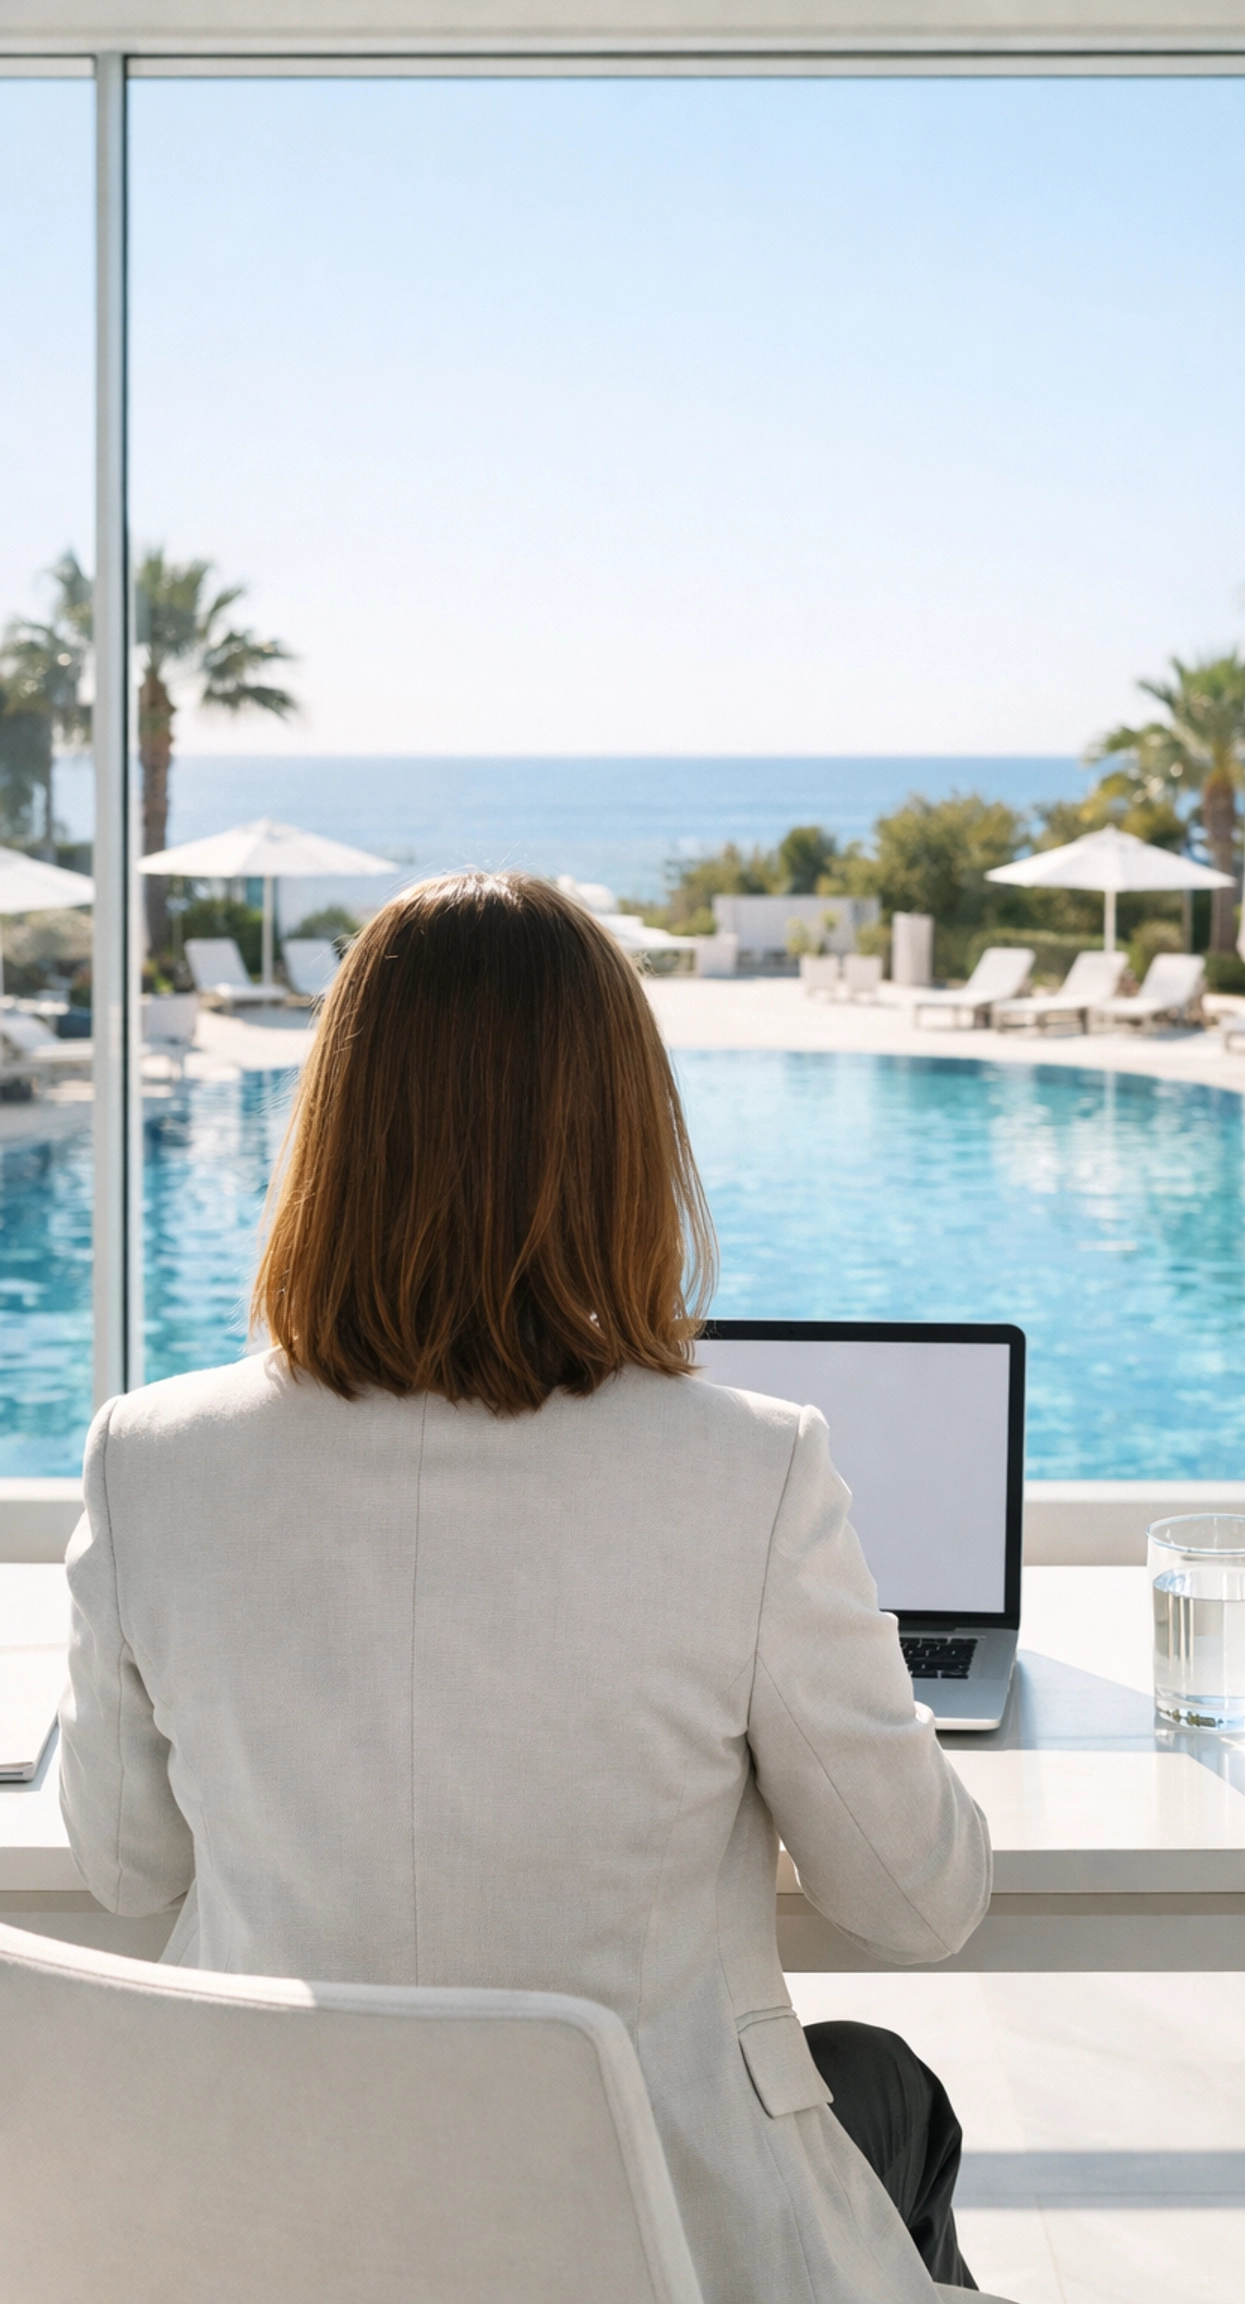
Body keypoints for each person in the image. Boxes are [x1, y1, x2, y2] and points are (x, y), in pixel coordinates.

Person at [60, 871, 992, 2304]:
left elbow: (126, 1868)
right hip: (648, 2244)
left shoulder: (150, 1463)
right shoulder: (749, 1469)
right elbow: (918, 1903)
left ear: (334, 1136)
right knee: (890, 2098)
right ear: (625, 1145)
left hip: (277, 2233)